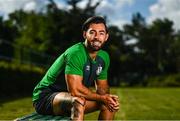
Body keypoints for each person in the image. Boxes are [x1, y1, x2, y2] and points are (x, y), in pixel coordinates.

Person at [32, 16, 119, 120]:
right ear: (84, 34)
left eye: (101, 33)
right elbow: (75, 90)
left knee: (109, 105)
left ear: (106, 37)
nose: (97, 37)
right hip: (45, 97)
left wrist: (108, 99)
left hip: (70, 97)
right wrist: (101, 98)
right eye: (92, 32)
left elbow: (102, 88)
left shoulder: (104, 57)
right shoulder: (76, 53)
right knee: (78, 102)